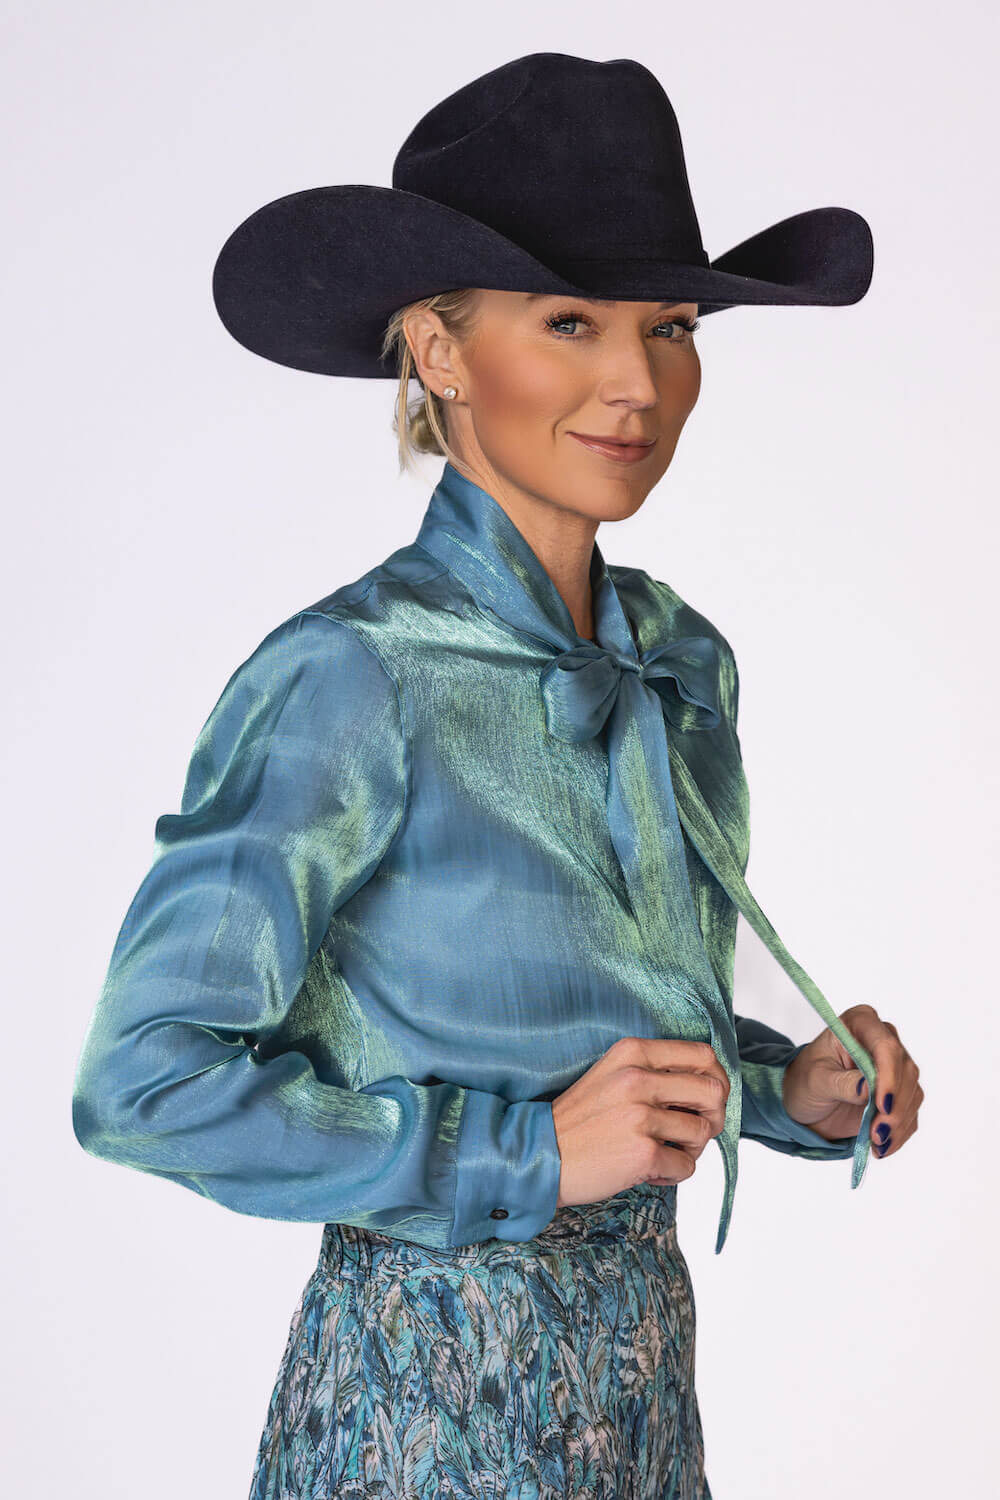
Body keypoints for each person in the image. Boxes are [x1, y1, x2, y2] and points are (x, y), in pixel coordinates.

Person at [71, 52, 923, 1499]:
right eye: (571, 322)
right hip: (422, 1407)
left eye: (670, 328)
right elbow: (142, 1082)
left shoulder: (680, 664)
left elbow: (624, 1025)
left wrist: (790, 1091)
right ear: (440, 351)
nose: (636, 384)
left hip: (645, 1401)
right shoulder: (353, 675)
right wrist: (518, 1156)